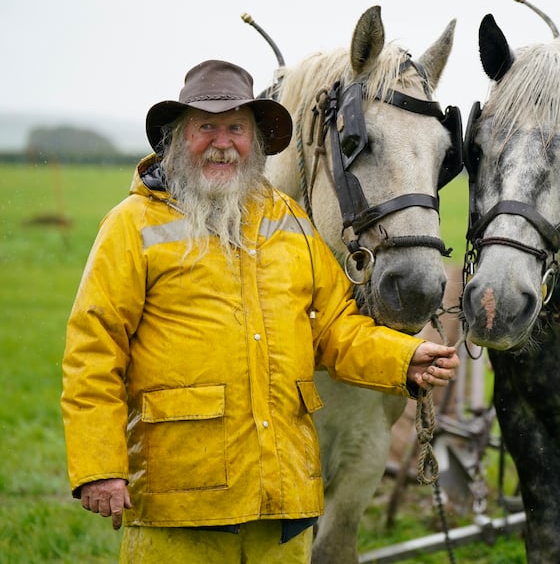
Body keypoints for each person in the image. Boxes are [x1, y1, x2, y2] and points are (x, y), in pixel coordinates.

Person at [60, 59, 458, 563]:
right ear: (178, 137)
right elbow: (93, 351)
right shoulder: (131, 226)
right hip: (182, 502)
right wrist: (99, 465)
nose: (222, 142)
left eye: (237, 128)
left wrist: (403, 359)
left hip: (281, 503)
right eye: (206, 126)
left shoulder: (288, 222)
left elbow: (336, 328)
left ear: (257, 141)